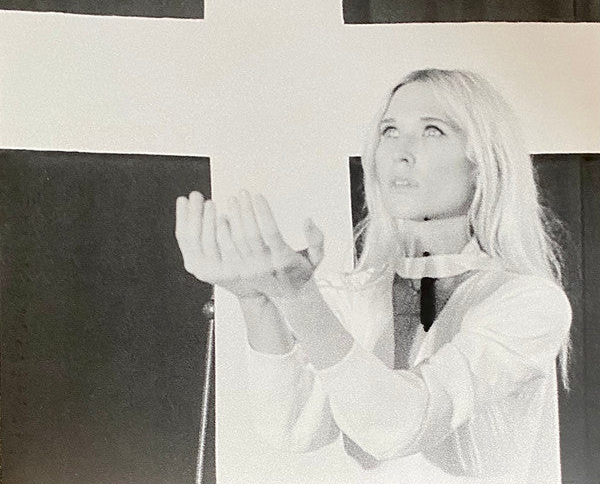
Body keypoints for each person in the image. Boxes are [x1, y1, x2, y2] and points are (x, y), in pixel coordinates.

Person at [175, 69, 572, 484]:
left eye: (432, 131)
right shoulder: (355, 292)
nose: (401, 152)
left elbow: (398, 426)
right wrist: (255, 300)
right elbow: (292, 427)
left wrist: (300, 300)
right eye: (389, 131)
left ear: (484, 162)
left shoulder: (528, 302)